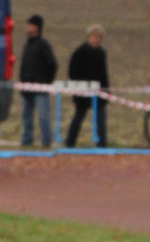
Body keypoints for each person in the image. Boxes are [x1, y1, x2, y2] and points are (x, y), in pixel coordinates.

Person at [65, 24, 110, 148]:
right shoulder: (80, 52)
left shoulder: (101, 53)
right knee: (78, 117)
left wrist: (106, 91)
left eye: (98, 37)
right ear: (89, 37)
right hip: (82, 94)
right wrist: (81, 86)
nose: (96, 40)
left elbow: (103, 74)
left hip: (98, 93)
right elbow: (72, 71)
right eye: (94, 37)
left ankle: (102, 145)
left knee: (100, 120)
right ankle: (70, 143)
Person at [18, 13, 57, 148]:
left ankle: (46, 142)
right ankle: (26, 141)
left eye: (30, 25)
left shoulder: (43, 45)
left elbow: (52, 64)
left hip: (40, 87)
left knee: (43, 116)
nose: (26, 27)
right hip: (26, 88)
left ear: (36, 27)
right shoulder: (27, 45)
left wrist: (46, 81)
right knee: (26, 116)